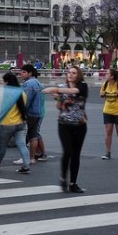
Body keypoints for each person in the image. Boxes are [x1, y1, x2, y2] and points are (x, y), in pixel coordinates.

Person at [43, 65, 88, 193]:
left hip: (80, 124)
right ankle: (63, 177)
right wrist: (57, 97)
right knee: (67, 151)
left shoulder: (82, 85)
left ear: (78, 75)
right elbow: (59, 106)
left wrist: (55, 89)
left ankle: (73, 182)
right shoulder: (62, 88)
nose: (71, 74)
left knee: (76, 154)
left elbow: (75, 91)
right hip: (64, 124)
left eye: (74, 72)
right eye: (69, 72)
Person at [0, 72, 31, 174]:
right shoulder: (22, 93)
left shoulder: (4, 94)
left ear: (6, 81)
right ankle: (26, 166)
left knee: (2, 146)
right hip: (21, 123)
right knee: (22, 145)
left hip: (7, 124)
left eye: (4, 81)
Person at [20, 64, 47, 164]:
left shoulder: (29, 84)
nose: (21, 74)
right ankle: (33, 157)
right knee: (34, 135)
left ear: (30, 73)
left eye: (23, 72)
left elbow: (26, 100)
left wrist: (22, 111)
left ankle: (27, 157)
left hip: (31, 112)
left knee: (26, 135)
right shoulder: (38, 83)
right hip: (38, 111)